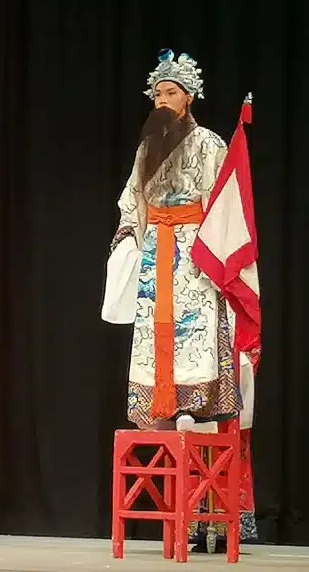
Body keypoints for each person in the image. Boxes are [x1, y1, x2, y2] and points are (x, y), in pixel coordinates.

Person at [101, 49, 257, 549]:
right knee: (157, 374)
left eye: (170, 93)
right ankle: (181, 514)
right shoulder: (148, 146)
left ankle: (213, 513)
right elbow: (132, 200)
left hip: (195, 259)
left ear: (189, 98)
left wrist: (214, 256)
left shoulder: (209, 144)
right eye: (157, 94)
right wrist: (128, 237)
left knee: (202, 372)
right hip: (155, 264)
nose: (162, 100)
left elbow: (224, 204)